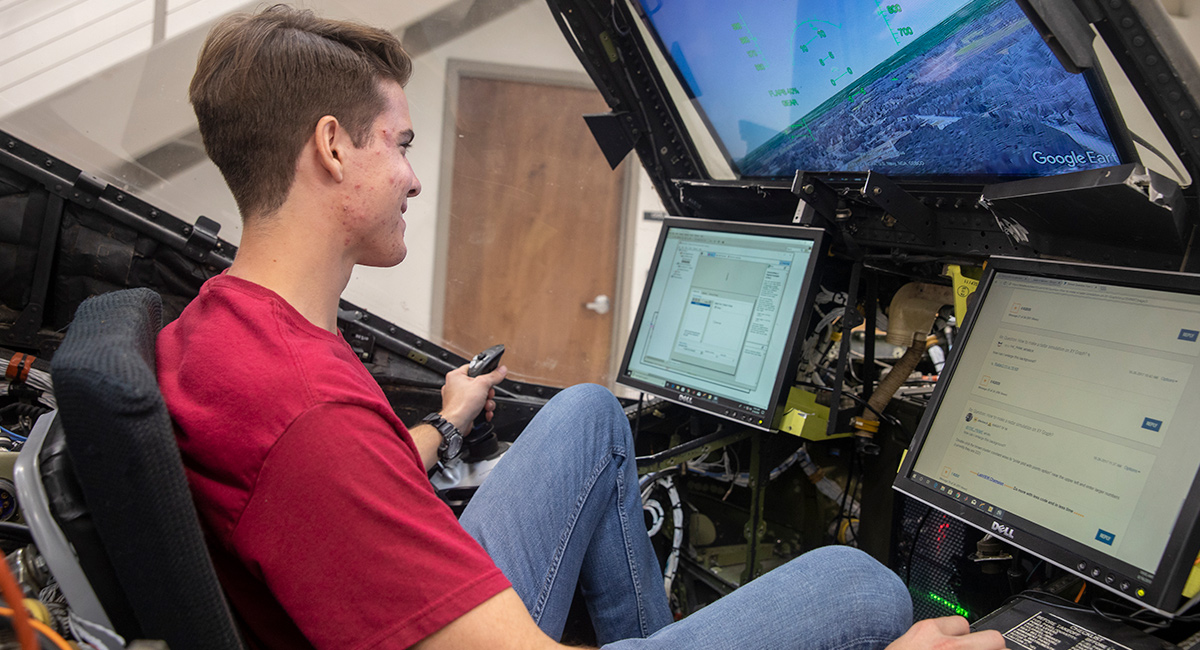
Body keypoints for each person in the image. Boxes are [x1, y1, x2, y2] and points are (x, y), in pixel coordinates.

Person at [156, 5, 1009, 650]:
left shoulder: (222, 328)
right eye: (400, 142)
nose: (414, 178)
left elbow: (335, 494)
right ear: (333, 147)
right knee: (862, 587)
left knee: (589, 412)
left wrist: (446, 423)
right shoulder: (310, 416)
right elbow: (326, 461)